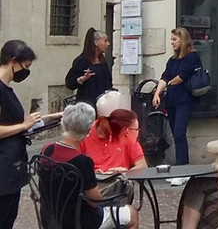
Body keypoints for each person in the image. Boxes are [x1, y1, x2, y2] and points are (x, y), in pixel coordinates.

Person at [41, 102, 138, 229]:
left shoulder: (47, 149)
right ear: (88, 130)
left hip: (50, 218)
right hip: (80, 221)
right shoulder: (82, 161)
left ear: (64, 124)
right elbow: (94, 202)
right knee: (132, 214)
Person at [0, 39, 55, 229]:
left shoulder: (7, 90)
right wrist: (23, 126)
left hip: (11, 167)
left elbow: (18, 122)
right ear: (13, 61)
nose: (26, 71)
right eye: (26, 66)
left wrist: (52, 117)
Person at [151, 27, 202, 165]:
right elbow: (164, 77)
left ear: (183, 40)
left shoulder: (192, 56)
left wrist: (167, 84)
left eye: (174, 39)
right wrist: (157, 94)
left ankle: (183, 167)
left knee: (179, 133)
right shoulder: (172, 60)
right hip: (172, 101)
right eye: (171, 39)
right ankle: (180, 166)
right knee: (175, 135)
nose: (172, 43)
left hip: (185, 100)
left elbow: (181, 77)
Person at [79, 109, 147, 173]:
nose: (138, 133)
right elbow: (73, 167)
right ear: (127, 132)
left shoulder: (130, 140)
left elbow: (142, 166)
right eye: (136, 129)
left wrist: (126, 173)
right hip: (91, 182)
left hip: (118, 181)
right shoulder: (85, 134)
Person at [66, 29, 114, 107]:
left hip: (102, 104)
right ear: (96, 43)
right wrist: (82, 79)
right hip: (87, 104)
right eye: (105, 41)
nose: (108, 44)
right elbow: (70, 82)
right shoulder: (82, 61)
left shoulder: (102, 60)